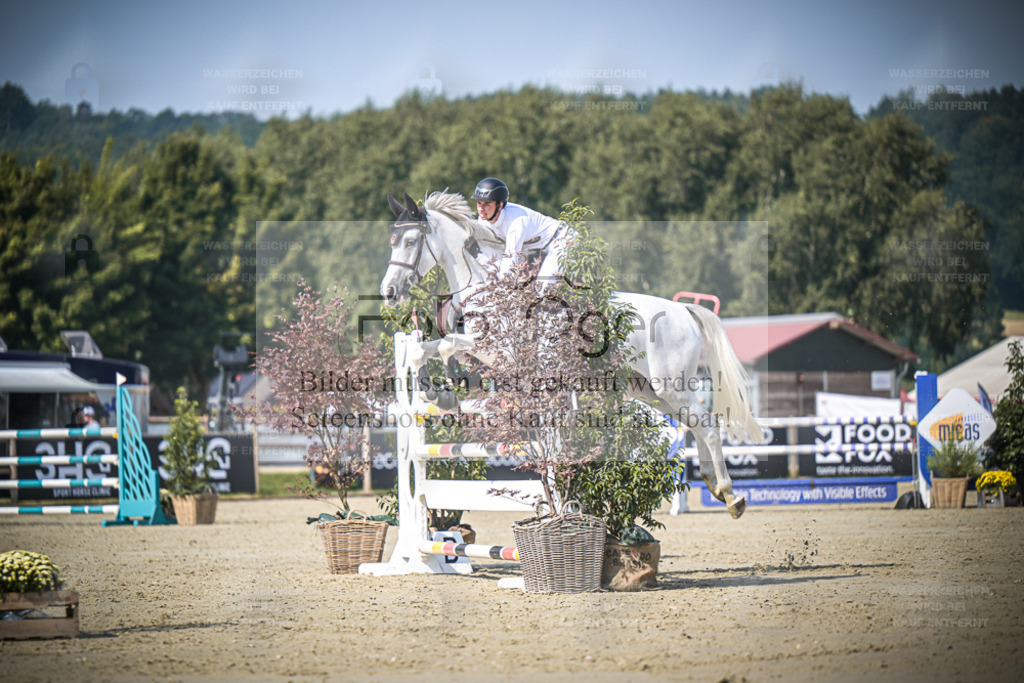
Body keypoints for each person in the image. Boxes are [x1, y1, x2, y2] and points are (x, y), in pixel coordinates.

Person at [470, 177, 572, 285]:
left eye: (487, 204)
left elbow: (510, 259)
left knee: (544, 285)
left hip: (561, 239)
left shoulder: (516, 222)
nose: (481, 208)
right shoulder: (483, 220)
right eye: (479, 203)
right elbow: (490, 256)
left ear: (500, 205)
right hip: (536, 249)